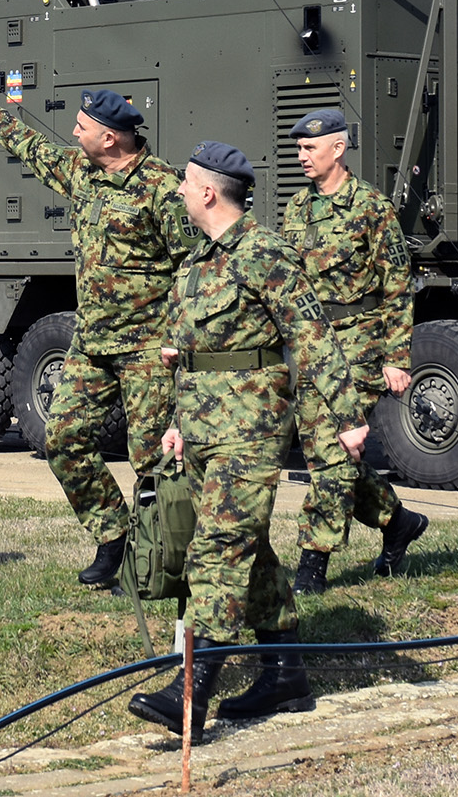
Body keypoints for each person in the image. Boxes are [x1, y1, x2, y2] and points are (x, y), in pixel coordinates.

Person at [127, 142, 354, 742]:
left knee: (218, 550)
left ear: (208, 191)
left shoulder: (265, 255)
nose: (177, 190)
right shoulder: (199, 262)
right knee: (249, 554)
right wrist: (177, 420)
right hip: (202, 431)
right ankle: (286, 675)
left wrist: (349, 416)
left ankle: (190, 693)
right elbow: (190, 354)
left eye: (185, 182)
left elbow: (312, 336)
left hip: (249, 431)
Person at [0, 70, 197, 587]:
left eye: (82, 125)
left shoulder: (161, 187)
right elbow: (30, 147)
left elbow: (191, 268)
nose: (73, 131)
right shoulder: (80, 172)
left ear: (110, 137)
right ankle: (113, 536)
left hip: (146, 349)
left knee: (152, 458)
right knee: (62, 438)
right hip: (91, 344)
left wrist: (180, 338)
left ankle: (165, 559)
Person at [278, 106, 429, 594]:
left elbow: (397, 285)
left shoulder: (371, 207)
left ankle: (312, 564)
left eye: (309, 148)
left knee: (330, 453)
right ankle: (397, 522)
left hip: (358, 347)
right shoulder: (296, 208)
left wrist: (397, 357)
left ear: (338, 149)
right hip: (309, 349)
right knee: (330, 452)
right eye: (298, 148)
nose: (301, 156)